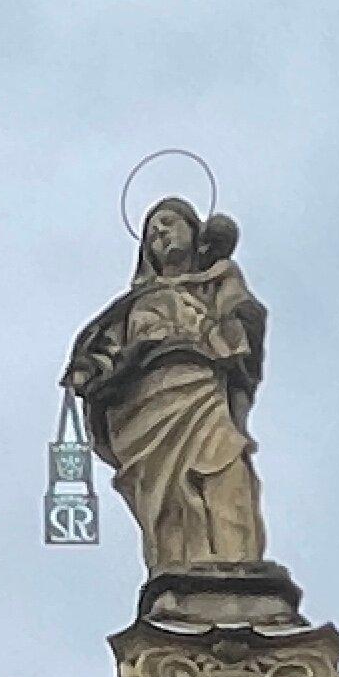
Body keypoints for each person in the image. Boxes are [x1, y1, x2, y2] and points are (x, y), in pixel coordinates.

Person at [64, 197, 271, 571]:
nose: (160, 234)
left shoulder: (214, 284)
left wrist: (232, 305)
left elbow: (243, 337)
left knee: (228, 472)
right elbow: (99, 354)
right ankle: (178, 568)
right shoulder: (133, 306)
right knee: (166, 492)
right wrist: (90, 369)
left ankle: (237, 567)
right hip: (147, 404)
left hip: (201, 389)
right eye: (151, 233)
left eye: (168, 223)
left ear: (194, 233)